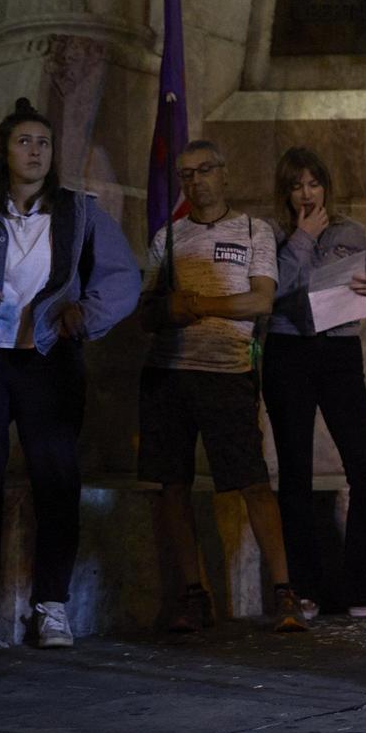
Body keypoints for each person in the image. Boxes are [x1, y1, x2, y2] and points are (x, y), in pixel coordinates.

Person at [0, 99, 140, 652]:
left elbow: (122, 278)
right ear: (6, 152)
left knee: (58, 484)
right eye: (24, 141)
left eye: (43, 142)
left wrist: (83, 315)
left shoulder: (80, 214)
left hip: (49, 363)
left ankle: (52, 605)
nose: (35, 150)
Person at [138, 138, 308, 634]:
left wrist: (196, 307)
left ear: (224, 174)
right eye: (186, 174)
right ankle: (194, 595)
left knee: (253, 482)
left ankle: (283, 592)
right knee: (172, 486)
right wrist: (166, 308)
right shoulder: (166, 239)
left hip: (228, 372)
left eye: (204, 170)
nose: (195, 181)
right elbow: (147, 311)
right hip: (168, 375)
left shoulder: (255, 229)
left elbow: (260, 301)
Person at [265, 146, 366, 620]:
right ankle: (301, 591)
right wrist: (304, 238)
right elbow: (273, 290)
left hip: (339, 350)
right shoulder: (271, 235)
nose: (307, 194)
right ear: (285, 193)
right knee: (295, 473)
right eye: (296, 186)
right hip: (288, 351)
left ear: (327, 186)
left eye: (314, 184)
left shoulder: (352, 231)